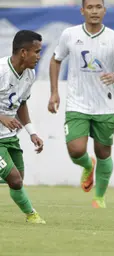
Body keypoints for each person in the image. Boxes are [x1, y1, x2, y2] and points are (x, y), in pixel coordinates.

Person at [47, 0, 114, 208]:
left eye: (98, 7)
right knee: (76, 149)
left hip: (105, 106)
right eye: (90, 7)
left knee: (104, 152)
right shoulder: (70, 35)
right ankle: (87, 165)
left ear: (105, 10)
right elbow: (56, 60)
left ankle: (99, 198)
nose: (94, 11)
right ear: (82, 11)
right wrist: (55, 91)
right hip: (77, 103)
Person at [0, 30, 45, 223]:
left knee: (18, 180)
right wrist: (2, 117)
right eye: (36, 51)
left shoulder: (29, 74)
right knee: (15, 179)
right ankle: (31, 215)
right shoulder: (1, 70)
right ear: (24, 52)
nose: (39, 56)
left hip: (9, 136)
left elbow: (22, 103)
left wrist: (32, 133)